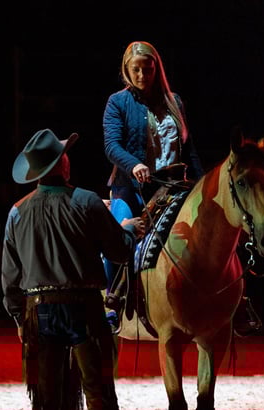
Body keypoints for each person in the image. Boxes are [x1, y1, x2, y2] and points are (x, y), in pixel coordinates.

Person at [1, 128, 139, 410]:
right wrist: (127, 229)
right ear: (62, 163)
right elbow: (120, 251)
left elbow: (10, 278)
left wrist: (18, 318)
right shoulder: (87, 201)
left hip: (38, 309)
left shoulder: (18, 211)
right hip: (83, 306)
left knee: (45, 400)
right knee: (100, 395)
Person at [102, 40, 208, 328]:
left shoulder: (175, 101)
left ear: (156, 69)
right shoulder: (118, 102)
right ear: (126, 70)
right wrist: (134, 164)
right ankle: (111, 299)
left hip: (173, 187)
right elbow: (111, 145)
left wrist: (202, 184)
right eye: (135, 70)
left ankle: (225, 299)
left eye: (147, 70)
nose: (141, 76)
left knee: (209, 231)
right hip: (131, 187)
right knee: (118, 232)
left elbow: (189, 149)